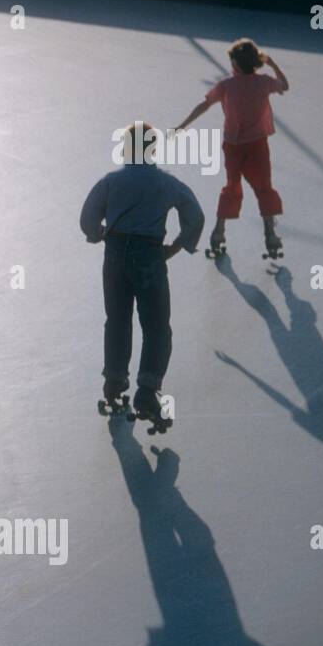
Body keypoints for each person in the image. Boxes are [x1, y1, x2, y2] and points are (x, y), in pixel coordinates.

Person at [80, 122, 205, 423]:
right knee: (156, 325)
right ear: (153, 150)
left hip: (115, 256)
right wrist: (176, 246)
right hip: (149, 255)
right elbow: (195, 215)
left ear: (125, 148)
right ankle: (147, 391)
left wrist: (97, 234)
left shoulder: (111, 181)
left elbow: (87, 218)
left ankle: (114, 382)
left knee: (118, 320)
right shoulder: (165, 183)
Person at [173, 38, 289, 256]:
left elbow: (204, 105)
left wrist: (182, 126)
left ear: (235, 63)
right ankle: (270, 235)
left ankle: (218, 232)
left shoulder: (226, 86)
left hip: (233, 147)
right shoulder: (264, 82)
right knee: (264, 187)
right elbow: (284, 85)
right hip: (257, 145)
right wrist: (273, 65)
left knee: (232, 186)